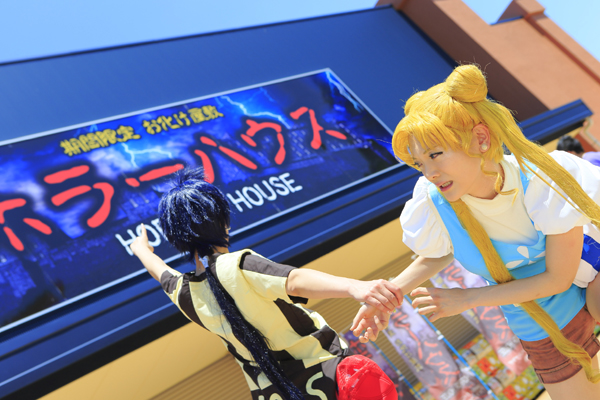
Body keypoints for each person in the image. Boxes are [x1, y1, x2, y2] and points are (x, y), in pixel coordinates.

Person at [351, 65, 600, 400]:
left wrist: (467, 299)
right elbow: (437, 254)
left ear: (481, 139)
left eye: (436, 154)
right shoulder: (435, 202)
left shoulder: (537, 177)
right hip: (540, 324)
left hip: (591, 278)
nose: (429, 172)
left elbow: (557, 278)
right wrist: (386, 297)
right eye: (419, 163)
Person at [130, 168, 400, 400]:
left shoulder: (186, 293)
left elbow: (161, 272)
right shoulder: (236, 265)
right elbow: (294, 281)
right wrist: (355, 287)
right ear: (223, 223)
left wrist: (140, 249)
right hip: (332, 377)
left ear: (177, 238)